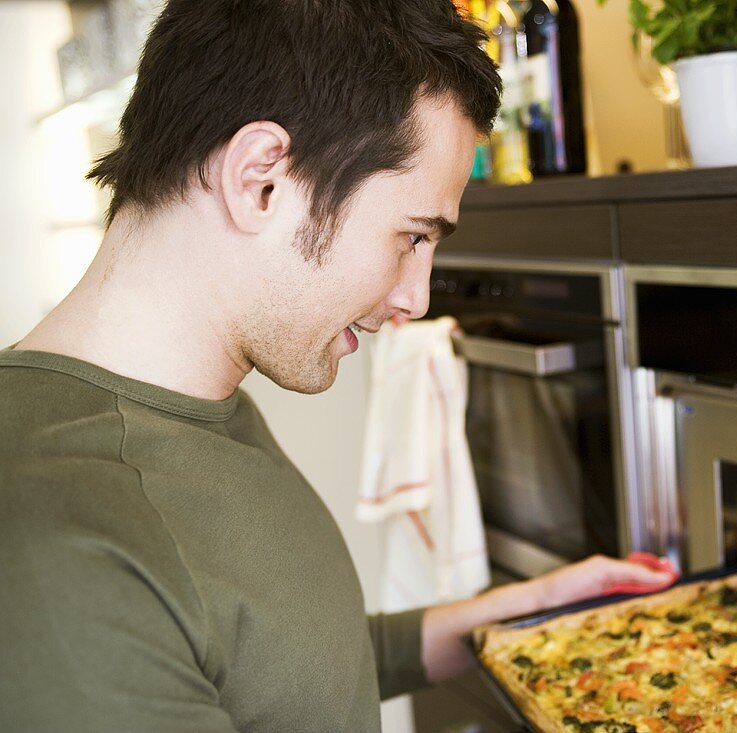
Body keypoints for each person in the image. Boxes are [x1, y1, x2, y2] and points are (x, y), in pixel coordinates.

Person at [0, 2, 676, 731]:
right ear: (261, 180)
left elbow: (282, 672)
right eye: (412, 236)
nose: (415, 299)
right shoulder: (63, 555)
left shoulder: (196, 403)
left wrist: (522, 616)